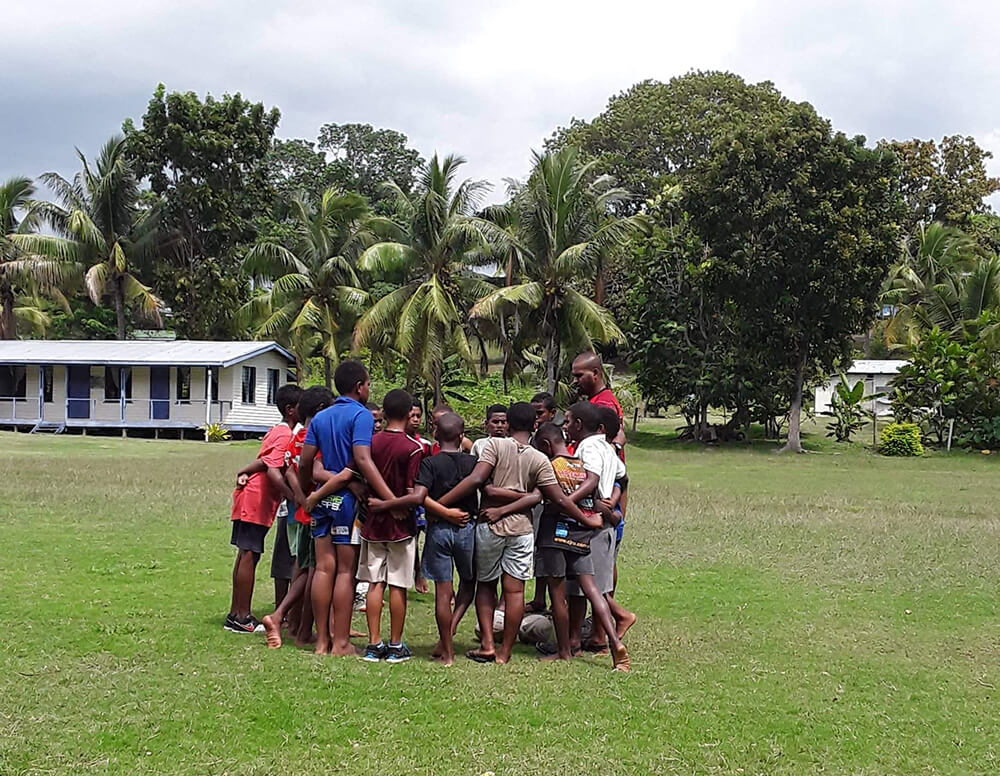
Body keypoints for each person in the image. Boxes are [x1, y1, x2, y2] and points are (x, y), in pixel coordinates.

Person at [436, 402, 594, 665]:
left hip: (490, 526)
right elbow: (555, 498)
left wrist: (440, 504)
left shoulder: (494, 447)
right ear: (535, 425)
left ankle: (487, 643)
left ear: (507, 423)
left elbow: (478, 482)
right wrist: (587, 520)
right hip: (522, 530)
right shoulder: (540, 459)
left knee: (486, 585)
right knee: (515, 592)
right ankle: (505, 652)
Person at [299, 361, 396, 656]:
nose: (369, 389)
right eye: (368, 384)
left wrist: (308, 490)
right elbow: (363, 460)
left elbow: (305, 462)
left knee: (322, 569)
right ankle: (341, 642)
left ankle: (321, 642)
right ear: (359, 386)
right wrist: (389, 497)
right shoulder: (360, 416)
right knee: (345, 572)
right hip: (346, 504)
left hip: (322, 501)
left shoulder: (320, 417)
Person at [532, 422, 630, 670]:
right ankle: (615, 643)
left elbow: (555, 500)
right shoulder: (580, 464)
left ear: (545, 446)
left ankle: (565, 650)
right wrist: (589, 518)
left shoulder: (549, 466)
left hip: (555, 533)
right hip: (583, 535)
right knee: (594, 590)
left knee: (557, 593)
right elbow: (596, 493)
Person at [261, 387, 347, 649]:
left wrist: (298, 497)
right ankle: (287, 620)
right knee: (314, 572)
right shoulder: (315, 436)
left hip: (300, 511)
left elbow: (287, 470)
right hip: (314, 513)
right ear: (322, 410)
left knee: (305, 567)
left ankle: (300, 625)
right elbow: (314, 472)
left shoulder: (297, 436)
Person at [352, 389, 426, 663]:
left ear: (382, 413)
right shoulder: (413, 447)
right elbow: (412, 489)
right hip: (401, 526)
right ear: (409, 414)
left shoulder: (370, 442)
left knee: (374, 584)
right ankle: (395, 645)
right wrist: (396, 506)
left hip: (372, 523)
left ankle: (374, 644)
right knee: (397, 585)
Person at [225, 383, 301, 634]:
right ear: (291, 410)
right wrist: (293, 495)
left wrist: (245, 470)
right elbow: (271, 467)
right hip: (256, 500)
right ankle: (242, 616)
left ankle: (236, 614)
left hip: (253, 499)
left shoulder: (277, 431)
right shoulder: (284, 434)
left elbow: (263, 461)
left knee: (247, 553)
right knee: (249, 554)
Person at [563, 401, 636, 652]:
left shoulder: (588, 446)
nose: (565, 427)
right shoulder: (607, 448)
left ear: (580, 425)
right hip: (604, 525)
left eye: (568, 421)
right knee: (599, 586)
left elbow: (592, 479)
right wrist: (611, 504)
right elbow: (621, 477)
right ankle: (598, 639)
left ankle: (579, 639)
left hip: (588, 525)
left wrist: (566, 501)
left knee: (579, 587)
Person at [414, 411, 479, 665]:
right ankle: (450, 629)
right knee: (469, 583)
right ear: (462, 436)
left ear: (436, 435)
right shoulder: (472, 464)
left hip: (439, 528)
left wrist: (443, 512)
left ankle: (448, 652)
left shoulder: (430, 463)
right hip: (467, 528)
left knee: (443, 592)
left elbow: (420, 496)